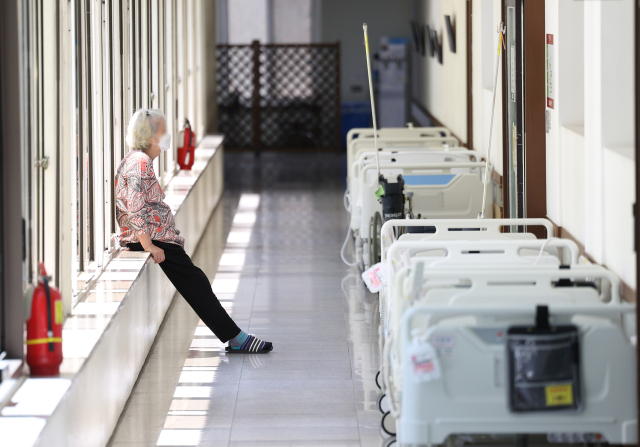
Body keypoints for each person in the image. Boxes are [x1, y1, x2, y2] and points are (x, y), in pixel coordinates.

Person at [115, 109, 272, 354]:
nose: (168, 135)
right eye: (163, 131)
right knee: (195, 283)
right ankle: (236, 338)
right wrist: (149, 245)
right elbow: (134, 207)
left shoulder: (136, 159)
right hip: (152, 238)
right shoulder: (140, 162)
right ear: (152, 136)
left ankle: (235, 336)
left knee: (196, 281)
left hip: (156, 236)